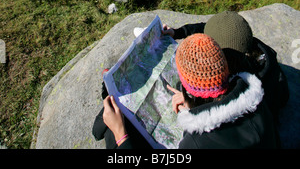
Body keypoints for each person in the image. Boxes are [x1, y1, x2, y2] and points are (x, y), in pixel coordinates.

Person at [102, 33, 281, 149]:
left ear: (188, 88)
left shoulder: (195, 143)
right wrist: (194, 104)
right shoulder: (258, 102)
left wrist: (121, 135)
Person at [162, 11, 289, 120]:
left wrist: (191, 105)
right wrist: (177, 32)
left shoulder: (249, 87)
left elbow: (227, 114)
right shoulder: (247, 43)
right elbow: (209, 27)